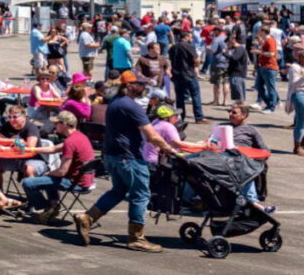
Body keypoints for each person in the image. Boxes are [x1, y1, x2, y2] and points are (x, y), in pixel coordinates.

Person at [73, 71, 176, 252]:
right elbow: (151, 135)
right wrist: (169, 149)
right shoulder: (131, 106)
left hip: (112, 156)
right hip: (130, 158)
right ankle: (136, 237)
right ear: (129, 85)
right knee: (141, 195)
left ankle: (87, 218)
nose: (145, 87)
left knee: (119, 190)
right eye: (140, 84)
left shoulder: (115, 102)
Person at [22, 110, 96, 224]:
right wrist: (31, 149)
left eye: (57, 123)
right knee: (49, 176)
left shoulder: (70, 142)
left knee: (28, 183)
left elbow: (62, 172)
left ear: (64, 124)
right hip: (87, 180)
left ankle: (49, 208)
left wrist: (48, 173)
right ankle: (53, 204)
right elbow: (53, 149)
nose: (55, 125)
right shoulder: (79, 136)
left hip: (76, 182)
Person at [225, 102, 275, 214]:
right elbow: (210, 141)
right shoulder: (222, 127)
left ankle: (254, 203)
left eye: (234, 112)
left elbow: (265, 150)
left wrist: (255, 159)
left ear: (244, 115)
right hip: (221, 157)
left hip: (240, 159)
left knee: (245, 167)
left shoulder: (250, 130)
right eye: (229, 112)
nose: (230, 114)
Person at [169, 30, 207, 124]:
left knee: (179, 97)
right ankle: (199, 117)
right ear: (186, 37)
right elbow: (196, 59)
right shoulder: (189, 46)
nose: (191, 39)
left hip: (177, 74)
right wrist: (196, 65)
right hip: (189, 73)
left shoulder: (173, 47)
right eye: (190, 37)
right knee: (195, 95)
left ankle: (180, 116)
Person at [251, 26, 280, 114]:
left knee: (270, 88)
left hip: (269, 67)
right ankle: (270, 103)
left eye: (260, 31)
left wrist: (259, 52)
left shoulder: (270, 40)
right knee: (259, 86)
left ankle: (271, 106)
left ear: (263, 31)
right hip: (263, 66)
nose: (258, 33)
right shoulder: (265, 41)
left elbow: (271, 54)